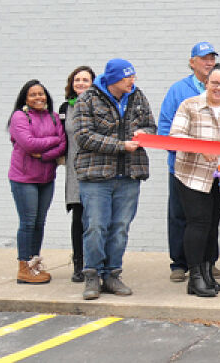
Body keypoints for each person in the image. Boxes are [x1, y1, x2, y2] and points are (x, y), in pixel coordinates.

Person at [72, 58, 155, 300]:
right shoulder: (88, 99)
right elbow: (84, 136)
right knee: (96, 226)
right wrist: (121, 145)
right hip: (96, 176)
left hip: (129, 175)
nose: (132, 81)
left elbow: (151, 126)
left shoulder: (137, 96)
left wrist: (144, 133)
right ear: (114, 78)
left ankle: (112, 274)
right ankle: (92, 275)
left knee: (120, 228)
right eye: (128, 77)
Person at [169, 64, 220, 298]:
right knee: (198, 223)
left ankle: (206, 272)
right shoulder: (189, 105)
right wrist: (200, 148)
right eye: (215, 83)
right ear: (206, 83)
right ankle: (195, 276)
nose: (219, 88)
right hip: (193, 176)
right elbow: (176, 136)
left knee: (212, 225)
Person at [158, 41, 220, 283]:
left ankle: (208, 262)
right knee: (180, 215)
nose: (209, 63)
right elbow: (165, 128)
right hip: (183, 167)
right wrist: (185, 152)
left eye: (212, 58)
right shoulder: (178, 90)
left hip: (213, 168)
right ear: (192, 62)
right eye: (204, 58)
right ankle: (179, 263)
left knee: (210, 217)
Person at [8, 79, 66, 284]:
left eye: (41, 94)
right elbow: (28, 143)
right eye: (33, 94)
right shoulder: (19, 117)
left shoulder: (53, 117)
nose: (38, 97)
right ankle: (24, 267)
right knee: (28, 222)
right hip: (24, 179)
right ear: (25, 99)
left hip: (46, 178)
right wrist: (53, 140)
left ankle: (34, 263)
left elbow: (63, 145)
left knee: (39, 222)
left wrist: (43, 155)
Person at [60, 65, 95, 282]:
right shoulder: (65, 108)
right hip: (74, 172)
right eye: (77, 80)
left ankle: (96, 263)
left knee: (97, 220)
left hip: (95, 169)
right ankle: (79, 264)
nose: (80, 83)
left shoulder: (98, 106)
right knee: (79, 219)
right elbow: (59, 138)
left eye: (85, 80)